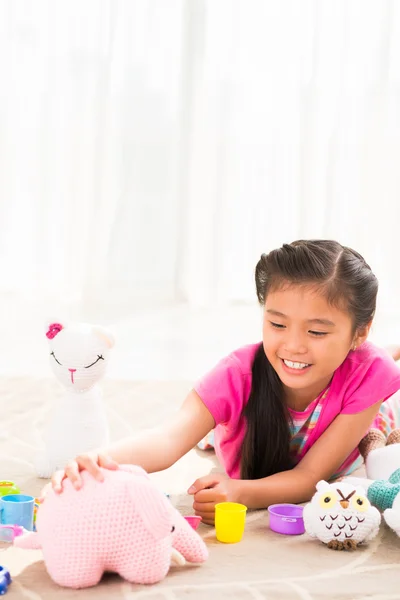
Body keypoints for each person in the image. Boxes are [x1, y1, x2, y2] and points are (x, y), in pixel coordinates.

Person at [47, 240, 400, 525]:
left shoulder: (370, 372)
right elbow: (168, 439)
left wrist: (240, 492)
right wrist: (96, 459)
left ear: (361, 331)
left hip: (357, 410)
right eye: (277, 325)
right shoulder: (237, 374)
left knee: (384, 424)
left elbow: (308, 479)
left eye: (317, 331)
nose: (293, 345)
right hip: (263, 405)